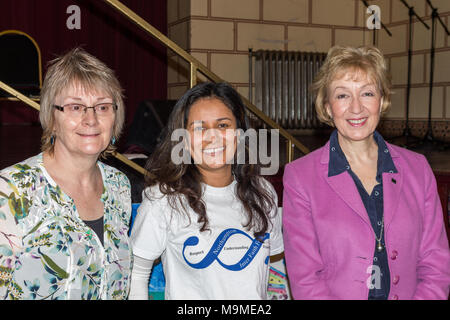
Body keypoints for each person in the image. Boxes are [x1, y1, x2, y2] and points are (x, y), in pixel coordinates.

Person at [282, 45, 450, 300]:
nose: (356, 108)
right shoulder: (300, 177)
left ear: (382, 101)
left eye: (367, 93)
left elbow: (436, 265)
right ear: (327, 106)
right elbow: (306, 279)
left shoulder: (418, 169)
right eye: (342, 96)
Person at [129, 82, 283, 299]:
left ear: (239, 135)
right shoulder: (163, 199)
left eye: (223, 125)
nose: (213, 137)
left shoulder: (263, 193)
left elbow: (269, 271)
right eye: (200, 128)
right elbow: (137, 276)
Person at [0, 48, 132, 300]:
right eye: (75, 107)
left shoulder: (119, 185)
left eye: (102, 107)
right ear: (52, 116)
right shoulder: (11, 191)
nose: (91, 119)